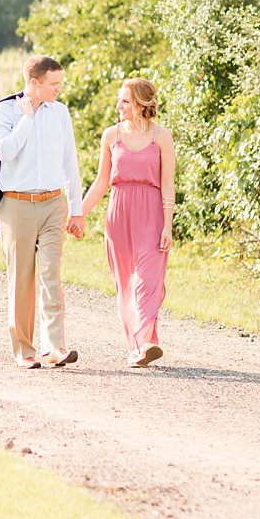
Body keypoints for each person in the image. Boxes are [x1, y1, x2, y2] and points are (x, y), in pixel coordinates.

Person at [0, 54, 86, 369]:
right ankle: (24, 350)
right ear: (34, 83)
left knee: (50, 274)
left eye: (59, 83)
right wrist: (27, 117)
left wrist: (77, 210)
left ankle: (54, 347)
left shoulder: (60, 112)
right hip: (16, 205)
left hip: (53, 204)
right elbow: (6, 151)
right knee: (21, 279)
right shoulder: (2, 112)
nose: (58, 89)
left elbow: (70, 161)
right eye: (53, 84)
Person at [80, 77, 175, 367]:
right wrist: (78, 214)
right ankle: (138, 348)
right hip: (119, 214)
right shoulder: (111, 136)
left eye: (124, 101)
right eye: (119, 100)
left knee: (149, 280)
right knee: (126, 284)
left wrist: (168, 225)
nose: (118, 106)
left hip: (151, 213)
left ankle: (145, 342)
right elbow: (101, 182)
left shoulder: (162, 138)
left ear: (139, 104)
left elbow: (168, 184)